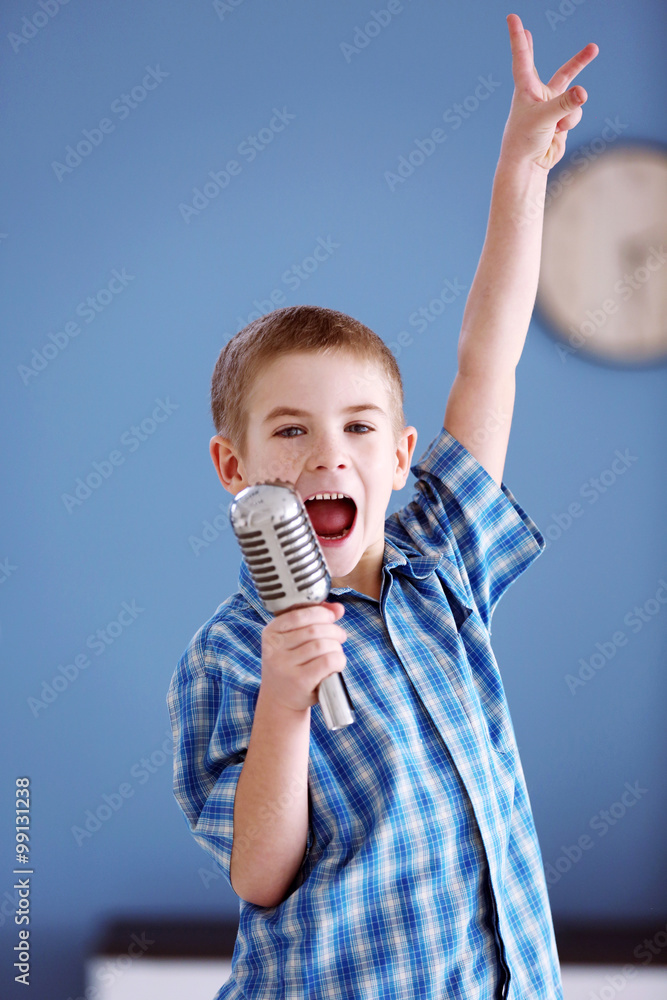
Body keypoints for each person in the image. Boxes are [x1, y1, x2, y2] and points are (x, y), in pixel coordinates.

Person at [167, 13, 598, 999]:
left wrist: (520, 172)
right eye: (290, 431)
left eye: (360, 427)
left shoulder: (442, 562)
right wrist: (285, 704)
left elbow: (487, 359)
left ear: (402, 457)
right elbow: (259, 873)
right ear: (233, 466)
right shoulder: (229, 655)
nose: (329, 453)